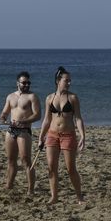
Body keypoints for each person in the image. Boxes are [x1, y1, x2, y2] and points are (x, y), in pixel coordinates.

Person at [37, 67, 86, 205]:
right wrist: (41, 137)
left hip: (68, 135)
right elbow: (47, 119)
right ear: (58, 81)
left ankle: (79, 196)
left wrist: (82, 136)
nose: (69, 83)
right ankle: (54, 196)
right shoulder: (49, 98)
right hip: (52, 135)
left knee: (71, 169)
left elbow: (78, 118)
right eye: (66, 80)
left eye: (70, 80)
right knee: (51, 167)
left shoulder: (73, 98)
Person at [0, 71, 41, 195]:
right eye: (24, 83)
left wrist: (24, 121)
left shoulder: (32, 97)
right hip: (11, 130)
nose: (27, 85)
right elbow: (5, 112)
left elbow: (38, 115)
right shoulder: (10, 96)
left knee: (25, 160)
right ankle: (9, 185)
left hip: (24, 131)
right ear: (18, 83)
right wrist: (3, 118)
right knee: (11, 160)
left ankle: (31, 189)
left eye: (28, 83)